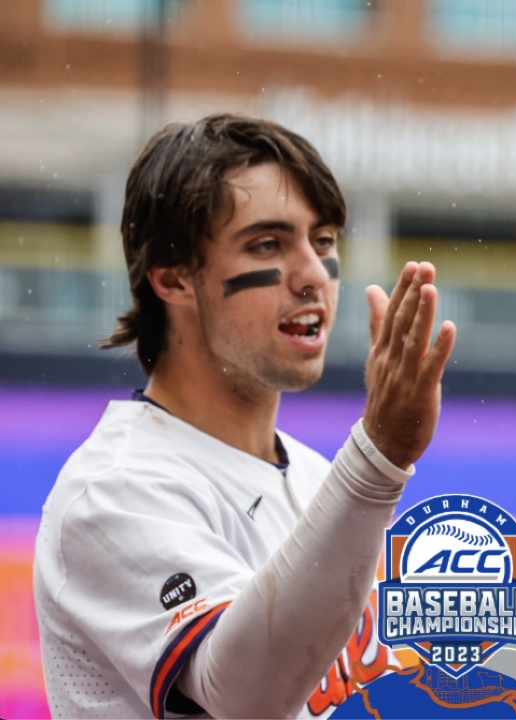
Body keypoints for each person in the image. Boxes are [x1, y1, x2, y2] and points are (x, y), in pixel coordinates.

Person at [34, 114, 457, 718]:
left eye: (325, 240)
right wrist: (380, 456)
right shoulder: (110, 492)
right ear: (173, 278)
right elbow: (246, 696)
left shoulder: (319, 480)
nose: (313, 275)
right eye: (268, 244)